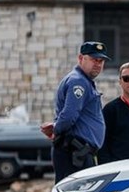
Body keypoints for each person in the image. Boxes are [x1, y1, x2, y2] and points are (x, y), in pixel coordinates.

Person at [41, 41, 109, 183]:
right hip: (73, 153)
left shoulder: (83, 80)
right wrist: (56, 130)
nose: (98, 64)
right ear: (80, 58)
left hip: (78, 153)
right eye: (93, 59)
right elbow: (69, 116)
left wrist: (55, 126)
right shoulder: (78, 82)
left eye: (101, 60)